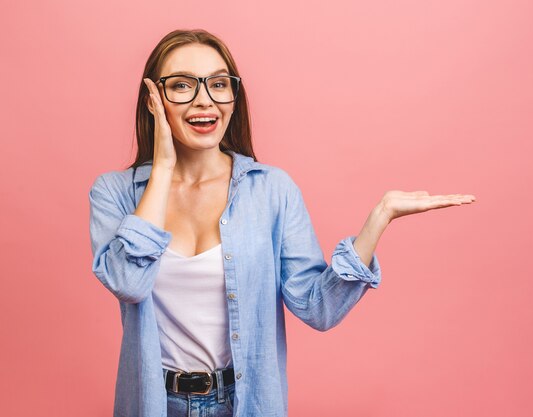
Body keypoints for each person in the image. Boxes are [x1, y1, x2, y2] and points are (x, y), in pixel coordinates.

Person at [88, 28, 476, 417]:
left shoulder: (273, 190)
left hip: (245, 403)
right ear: (153, 99)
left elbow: (318, 308)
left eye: (219, 84)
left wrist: (379, 219)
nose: (204, 100)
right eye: (183, 86)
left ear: (234, 96)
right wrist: (164, 166)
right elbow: (129, 283)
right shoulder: (116, 193)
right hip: (154, 403)